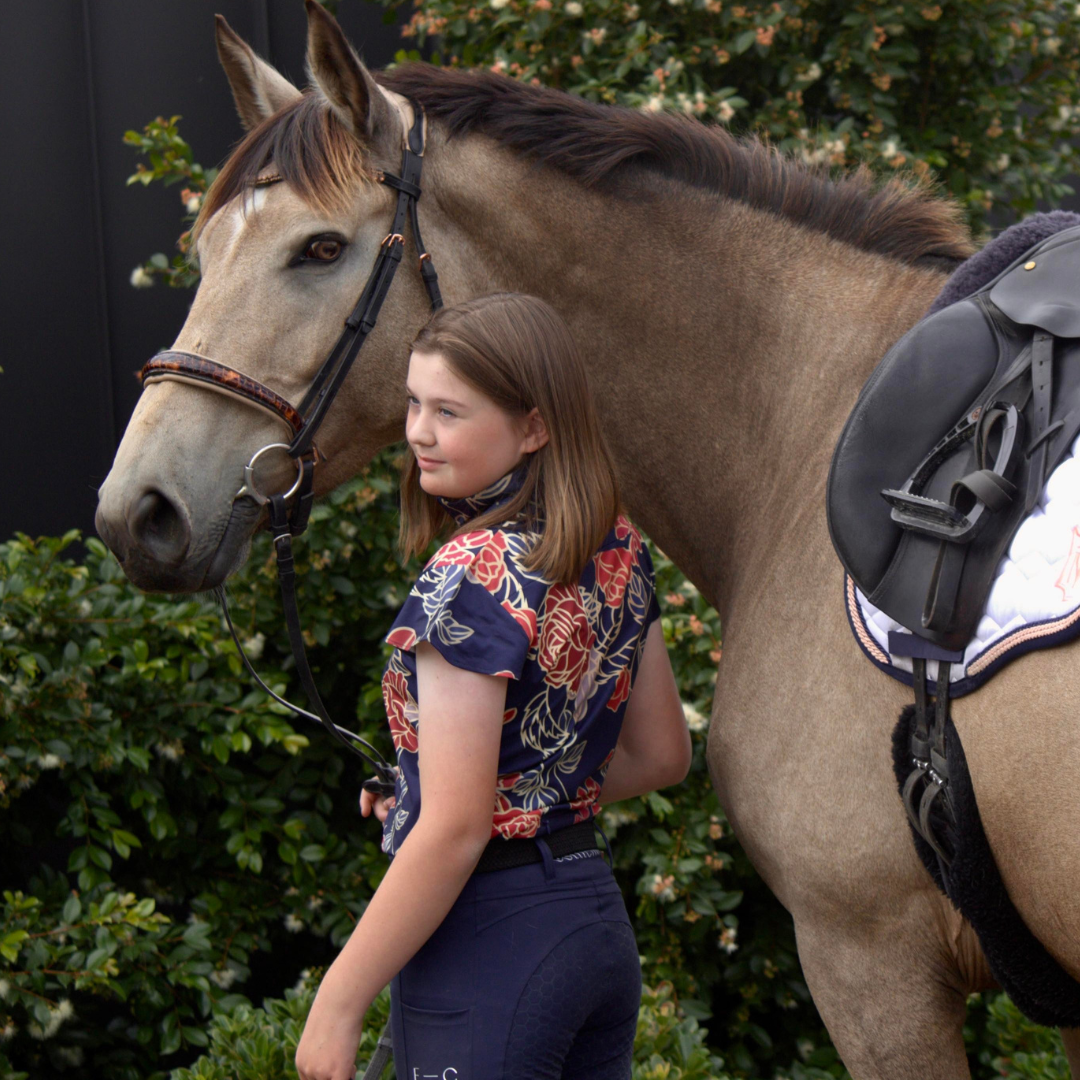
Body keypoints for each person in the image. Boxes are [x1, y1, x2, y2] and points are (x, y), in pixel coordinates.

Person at [295, 292, 691, 1080]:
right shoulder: (615, 547)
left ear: (534, 427)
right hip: (589, 926)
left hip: (492, 942)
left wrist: (337, 1005)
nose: (418, 432)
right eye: (414, 402)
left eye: (448, 411)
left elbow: (456, 829)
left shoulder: (472, 570)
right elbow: (662, 756)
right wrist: (459, 792)